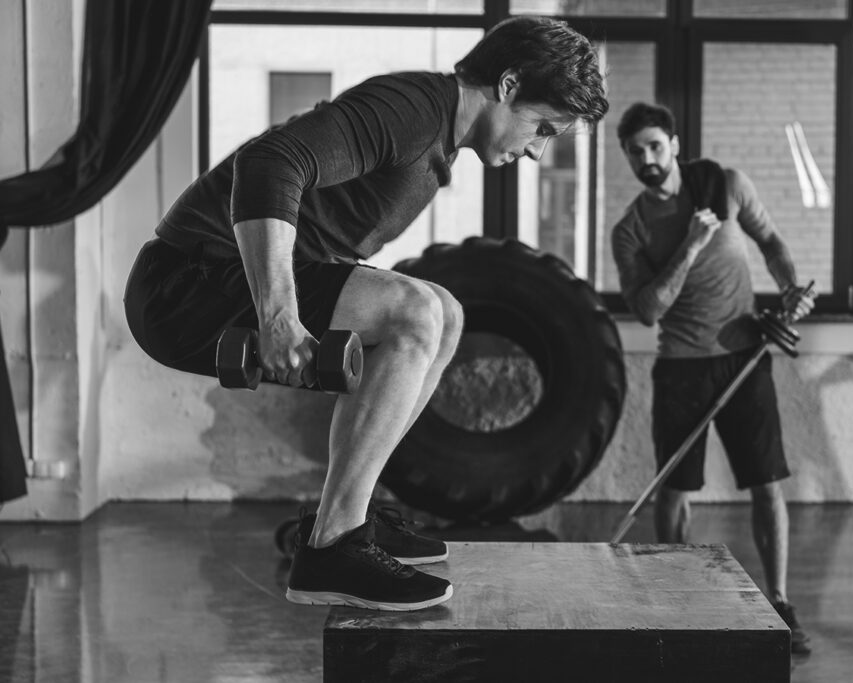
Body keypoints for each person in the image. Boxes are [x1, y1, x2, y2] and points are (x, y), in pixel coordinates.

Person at [124, 16, 608, 611]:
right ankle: (335, 546)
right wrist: (279, 317)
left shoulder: (436, 136)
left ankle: (348, 518)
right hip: (184, 283)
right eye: (542, 128)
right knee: (417, 313)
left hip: (215, 279)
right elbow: (269, 162)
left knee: (446, 314)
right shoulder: (413, 108)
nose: (537, 150)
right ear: (508, 85)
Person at [610, 102, 814, 654]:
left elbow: (770, 241)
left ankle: (779, 602)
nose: (647, 159)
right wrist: (690, 246)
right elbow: (648, 310)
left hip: (744, 357)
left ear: (674, 144)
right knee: (675, 490)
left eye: (655, 146)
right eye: (635, 151)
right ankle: (676, 604)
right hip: (681, 366)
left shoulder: (725, 185)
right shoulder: (629, 230)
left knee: (766, 483)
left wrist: (789, 289)